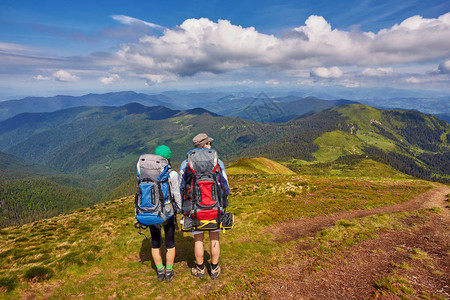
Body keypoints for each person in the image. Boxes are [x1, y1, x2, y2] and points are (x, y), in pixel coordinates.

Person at [179, 133, 229, 279]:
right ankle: (214, 269)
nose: (210, 145)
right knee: (215, 237)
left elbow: (181, 186)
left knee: (198, 239)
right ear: (205, 145)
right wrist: (223, 203)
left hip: (195, 208)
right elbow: (225, 185)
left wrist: (183, 206)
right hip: (215, 207)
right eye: (209, 143)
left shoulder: (186, 163)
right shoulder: (217, 162)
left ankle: (200, 269)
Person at [149, 145, 182, 282]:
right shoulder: (172, 173)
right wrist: (179, 209)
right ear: (169, 158)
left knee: (155, 242)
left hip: (152, 212)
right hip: (168, 213)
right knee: (170, 243)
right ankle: (169, 272)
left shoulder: (147, 172)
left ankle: (160, 271)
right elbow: (176, 194)